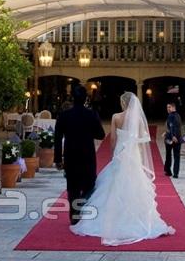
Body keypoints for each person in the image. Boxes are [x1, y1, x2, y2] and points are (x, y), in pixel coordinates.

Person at [70, 92, 175, 246]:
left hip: (120, 153)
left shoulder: (116, 117)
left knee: (113, 185)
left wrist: (113, 154)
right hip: (133, 154)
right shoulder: (138, 119)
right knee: (134, 184)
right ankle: (136, 220)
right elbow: (141, 141)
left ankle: (109, 219)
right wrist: (137, 155)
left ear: (123, 103)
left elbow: (112, 139)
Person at [54, 85, 106, 225]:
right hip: (87, 156)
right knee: (89, 185)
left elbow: (57, 138)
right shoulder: (91, 114)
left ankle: (74, 214)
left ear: (72, 98)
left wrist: (58, 159)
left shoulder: (64, 115)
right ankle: (83, 209)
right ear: (85, 99)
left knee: (72, 187)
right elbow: (101, 135)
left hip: (70, 156)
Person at [163, 102, 182, 179]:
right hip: (177, 138)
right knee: (176, 156)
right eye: (167, 107)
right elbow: (175, 127)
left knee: (169, 155)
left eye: (169, 107)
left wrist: (173, 136)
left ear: (173, 107)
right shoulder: (178, 116)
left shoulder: (171, 116)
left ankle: (168, 171)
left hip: (171, 138)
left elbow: (171, 126)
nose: (168, 109)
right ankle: (175, 173)